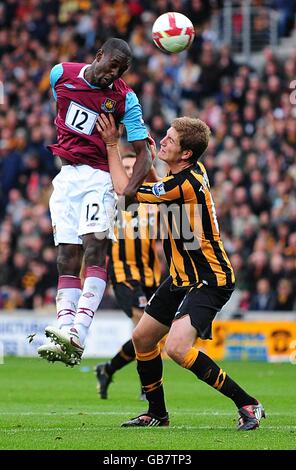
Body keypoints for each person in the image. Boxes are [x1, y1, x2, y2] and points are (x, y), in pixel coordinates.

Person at [96, 113, 265, 431]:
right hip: (180, 278)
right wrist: (147, 153)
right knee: (143, 339)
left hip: (209, 279)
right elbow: (154, 184)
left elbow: (125, 190)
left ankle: (248, 403)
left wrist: (110, 143)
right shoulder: (190, 171)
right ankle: (156, 414)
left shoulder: (183, 184)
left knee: (175, 347)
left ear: (186, 153)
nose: (163, 140)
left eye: (170, 140)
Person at [37, 38, 152, 366]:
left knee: (93, 250)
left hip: (99, 178)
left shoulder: (125, 98)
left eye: (120, 70)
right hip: (66, 178)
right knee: (65, 257)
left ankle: (80, 332)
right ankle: (63, 331)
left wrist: (128, 191)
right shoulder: (60, 74)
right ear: (98, 55)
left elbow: (145, 152)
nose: (113, 74)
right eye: (111, 65)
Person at [95, 152, 162, 399]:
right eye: (124, 167)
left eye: (134, 167)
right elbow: (94, 242)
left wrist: (150, 163)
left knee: (151, 332)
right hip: (122, 274)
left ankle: (108, 369)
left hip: (150, 276)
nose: (129, 172)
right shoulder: (107, 200)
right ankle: (148, 386)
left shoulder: (149, 200)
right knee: (143, 325)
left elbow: (164, 192)